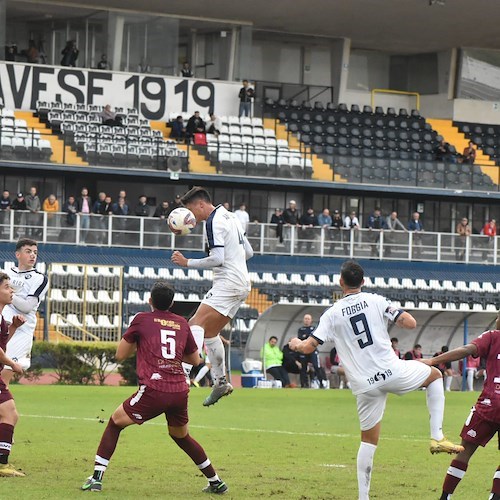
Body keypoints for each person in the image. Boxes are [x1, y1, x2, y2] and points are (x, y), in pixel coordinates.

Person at [289, 260, 463, 500]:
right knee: (435, 375)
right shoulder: (376, 300)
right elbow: (410, 323)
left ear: (341, 283)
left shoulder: (332, 313)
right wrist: (398, 317)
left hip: (363, 384)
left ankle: (363, 497)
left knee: (368, 441)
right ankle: (437, 436)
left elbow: (308, 347)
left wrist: (295, 343)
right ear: (363, 282)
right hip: (391, 372)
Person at [81, 281, 228, 495]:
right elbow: (195, 360)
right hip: (179, 388)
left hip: (155, 388)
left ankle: (95, 478)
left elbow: (121, 355)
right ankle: (216, 481)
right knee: (181, 436)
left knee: (114, 423)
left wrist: (140, 343)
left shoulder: (141, 319)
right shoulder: (181, 323)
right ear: (172, 303)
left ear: (150, 301)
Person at [171, 187, 253, 406]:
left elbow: (217, 258)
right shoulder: (231, 216)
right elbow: (250, 252)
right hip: (242, 282)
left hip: (229, 282)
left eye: (190, 211)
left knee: (194, 324)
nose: (190, 218)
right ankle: (221, 382)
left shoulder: (213, 222)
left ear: (200, 205)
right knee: (209, 333)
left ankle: (180, 377)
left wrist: (187, 262)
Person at [421, 322, 500, 500]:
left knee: (465, 451)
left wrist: (433, 361)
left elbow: (467, 349)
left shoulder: (493, 336)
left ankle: (445, 497)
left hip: (489, 405)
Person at [1, 239, 48, 387]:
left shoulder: (40, 278)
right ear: (18, 254)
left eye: (35, 252)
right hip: (3, 328)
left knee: (3, 379)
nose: (32, 255)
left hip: (21, 331)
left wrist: (7, 295)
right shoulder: (6, 273)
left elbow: (27, 307)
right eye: (28, 251)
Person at [0, 272, 26, 477]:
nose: (12, 291)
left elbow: (2, 344)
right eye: (7, 287)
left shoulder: (1, 318)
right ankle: (1, 465)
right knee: (9, 412)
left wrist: (14, 328)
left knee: (10, 413)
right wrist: (12, 365)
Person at [297, 314, 327, 389]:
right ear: (303, 320)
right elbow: (301, 339)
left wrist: (307, 337)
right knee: (303, 368)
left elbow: (315, 338)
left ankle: (321, 383)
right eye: (305, 319)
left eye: (308, 319)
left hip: (313, 350)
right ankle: (304, 384)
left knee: (316, 367)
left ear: (311, 320)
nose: (307, 320)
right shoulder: (301, 329)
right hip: (304, 351)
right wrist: (308, 337)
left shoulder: (314, 328)